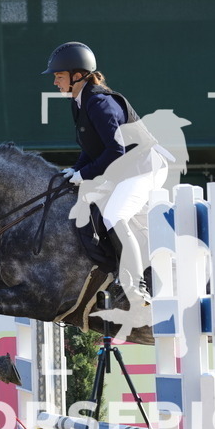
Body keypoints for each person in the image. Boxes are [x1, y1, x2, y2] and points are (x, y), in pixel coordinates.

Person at [42, 41, 168, 307]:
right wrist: (76, 170)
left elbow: (115, 151)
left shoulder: (100, 102)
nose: (55, 82)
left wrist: (86, 174)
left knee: (114, 214)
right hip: (126, 167)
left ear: (77, 75)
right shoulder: (80, 102)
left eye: (59, 76)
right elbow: (92, 148)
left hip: (145, 167)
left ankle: (136, 285)